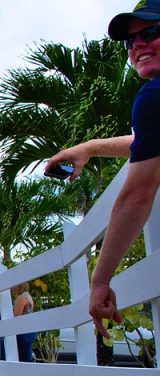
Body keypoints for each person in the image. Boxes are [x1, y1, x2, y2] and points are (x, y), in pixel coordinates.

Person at [44, 1, 160, 336]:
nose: (138, 45)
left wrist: (100, 279)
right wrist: (92, 148)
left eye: (151, 32)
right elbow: (148, 143)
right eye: (130, 41)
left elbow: (138, 193)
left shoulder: (152, 98)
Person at [11, 283, 38, 376]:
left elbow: (15, 315)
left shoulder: (21, 298)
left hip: (23, 331)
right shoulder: (28, 296)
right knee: (27, 358)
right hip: (29, 330)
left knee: (25, 359)